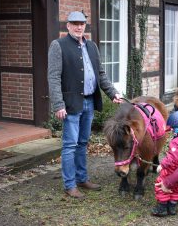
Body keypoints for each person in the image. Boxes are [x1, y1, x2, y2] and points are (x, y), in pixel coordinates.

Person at [47, 11, 122, 200]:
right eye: (74, 23)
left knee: (82, 143)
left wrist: (112, 93)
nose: (79, 27)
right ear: (68, 26)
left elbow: (101, 74)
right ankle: (69, 185)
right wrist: (58, 104)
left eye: (82, 23)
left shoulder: (92, 46)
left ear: (85, 25)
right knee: (70, 145)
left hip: (89, 101)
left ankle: (82, 179)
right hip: (71, 104)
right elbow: (54, 77)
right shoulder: (58, 45)